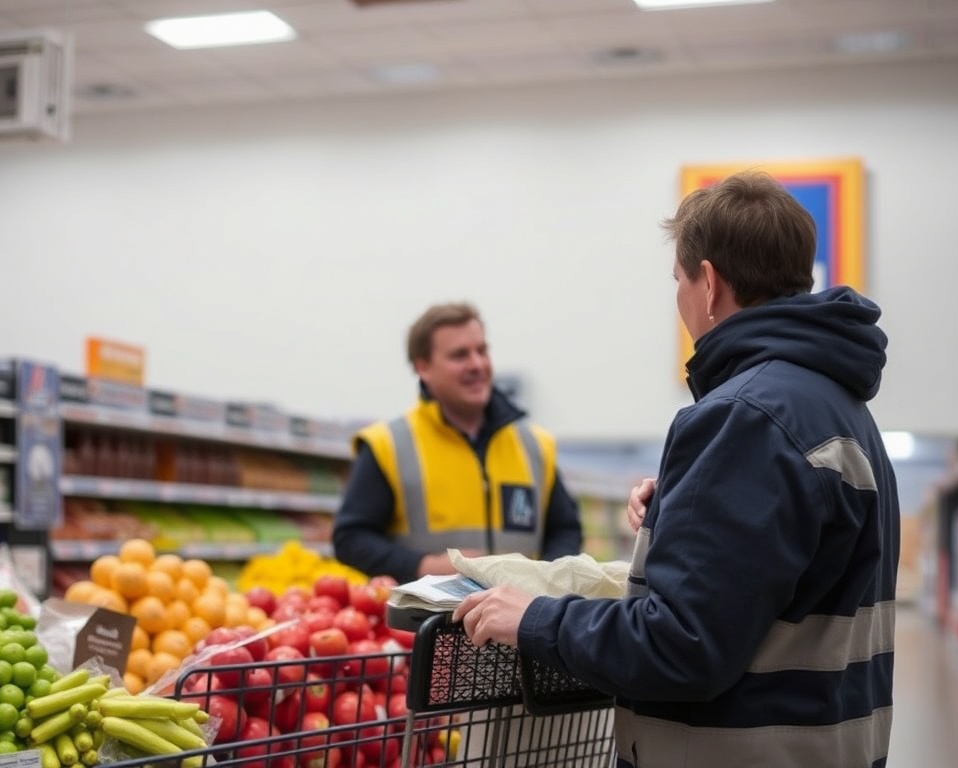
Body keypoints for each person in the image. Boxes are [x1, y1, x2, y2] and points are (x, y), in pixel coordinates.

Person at [453, 171, 900, 768]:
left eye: (678, 280)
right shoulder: (839, 408)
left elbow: (682, 647)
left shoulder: (746, 417)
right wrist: (684, 509)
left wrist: (534, 618)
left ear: (708, 284)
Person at [332, 301, 583, 584]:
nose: (477, 364)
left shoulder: (535, 444)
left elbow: (565, 529)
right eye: (459, 355)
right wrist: (424, 566)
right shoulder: (387, 445)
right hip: (427, 612)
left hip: (522, 611)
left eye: (482, 351)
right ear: (423, 367)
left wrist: (546, 580)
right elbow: (350, 539)